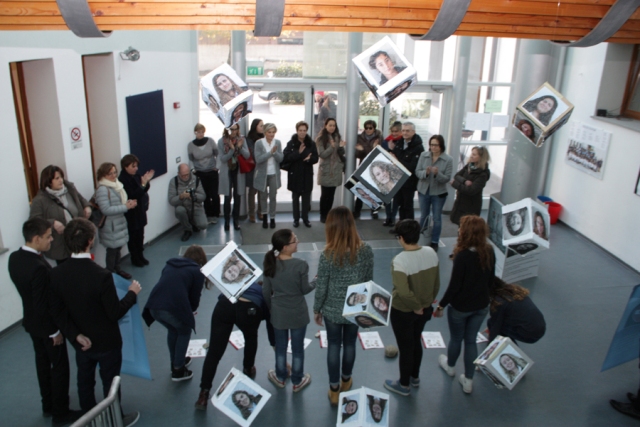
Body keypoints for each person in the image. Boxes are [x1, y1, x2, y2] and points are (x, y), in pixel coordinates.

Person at [49, 218, 141, 426]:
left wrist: (75, 335)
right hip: (107, 341)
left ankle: (88, 417)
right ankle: (115, 418)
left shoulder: (56, 274)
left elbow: (57, 311)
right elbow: (114, 312)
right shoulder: (102, 275)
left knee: (84, 380)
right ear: (90, 241)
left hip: (81, 341)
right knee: (111, 382)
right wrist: (132, 294)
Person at [8, 218, 82, 426]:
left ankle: (48, 404)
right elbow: (42, 304)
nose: (51, 239)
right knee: (59, 367)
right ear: (36, 238)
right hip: (47, 326)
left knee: (42, 364)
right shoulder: (38, 268)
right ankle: (61, 412)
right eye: (48, 236)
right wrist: (54, 332)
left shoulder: (15, 258)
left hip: (31, 324)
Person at [313, 207, 374, 405]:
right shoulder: (365, 251)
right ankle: (346, 380)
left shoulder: (327, 254)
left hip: (332, 309)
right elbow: (369, 279)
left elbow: (322, 285)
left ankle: (334, 390)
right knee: (350, 344)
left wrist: (317, 309)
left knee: (333, 345)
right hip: (355, 308)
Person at [434, 215, 495, 394]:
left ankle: (450, 366)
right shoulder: (489, 251)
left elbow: (454, 286)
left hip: (460, 307)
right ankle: (468, 380)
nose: (459, 230)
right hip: (481, 305)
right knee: (471, 340)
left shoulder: (462, 256)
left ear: (467, 232)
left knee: (456, 338)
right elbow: (491, 280)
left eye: (461, 227)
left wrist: (441, 305)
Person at [195, 279, 274, 410]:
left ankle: (203, 394)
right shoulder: (266, 297)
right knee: (251, 337)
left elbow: (221, 295)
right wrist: (275, 346)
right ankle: (248, 368)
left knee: (214, 353)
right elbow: (271, 326)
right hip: (250, 309)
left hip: (224, 305)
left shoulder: (244, 284)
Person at [383, 219, 440, 396]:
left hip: (403, 311)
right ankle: (415, 377)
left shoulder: (399, 260)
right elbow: (436, 284)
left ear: (401, 238)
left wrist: (415, 307)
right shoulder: (431, 252)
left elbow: (403, 291)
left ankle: (404, 384)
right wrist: (425, 304)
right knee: (416, 341)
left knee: (406, 347)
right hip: (425, 309)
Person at [142, 245, 208, 381]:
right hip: (171, 309)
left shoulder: (170, 264)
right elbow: (195, 297)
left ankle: (176, 361)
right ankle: (178, 370)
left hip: (153, 307)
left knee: (173, 330)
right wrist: (190, 311)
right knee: (184, 331)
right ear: (201, 259)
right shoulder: (197, 271)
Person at [263, 229, 314, 392]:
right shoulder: (301, 265)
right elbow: (305, 289)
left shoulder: (270, 264)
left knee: (280, 347)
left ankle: (280, 377)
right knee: (298, 349)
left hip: (279, 314)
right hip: (298, 313)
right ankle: (297, 381)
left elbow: (266, 292)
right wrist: (316, 281)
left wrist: (272, 309)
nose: (297, 241)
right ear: (285, 247)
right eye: (294, 240)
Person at [29, 165, 92, 264]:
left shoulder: (69, 189)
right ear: (48, 181)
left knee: (82, 267)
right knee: (67, 270)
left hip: (78, 240)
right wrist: (52, 223)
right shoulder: (40, 200)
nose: (61, 180)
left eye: (61, 177)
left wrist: (87, 206)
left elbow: (81, 199)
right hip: (60, 244)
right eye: (57, 178)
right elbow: (34, 221)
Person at [95, 162, 137, 280]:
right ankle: (110, 274)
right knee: (112, 251)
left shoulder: (116, 185)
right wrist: (125, 207)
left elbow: (118, 202)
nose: (114, 175)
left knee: (118, 249)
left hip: (119, 223)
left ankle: (117, 269)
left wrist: (128, 203)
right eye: (110, 173)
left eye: (115, 172)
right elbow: (106, 209)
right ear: (103, 175)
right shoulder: (102, 189)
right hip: (111, 226)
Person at [415, 134, 453, 251]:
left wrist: (437, 174)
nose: (433, 147)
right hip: (423, 191)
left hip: (438, 193)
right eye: (431, 145)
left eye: (436, 145)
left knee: (437, 218)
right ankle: (421, 238)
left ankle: (435, 241)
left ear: (441, 146)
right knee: (424, 216)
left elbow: (446, 178)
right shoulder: (424, 155)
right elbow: (417, 171)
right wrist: (425, 173)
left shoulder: (448, 159)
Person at [119, 155, 154, 267]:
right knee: (133, 236)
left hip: (140, 210)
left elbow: (143, 190)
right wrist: (143, 184)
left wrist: (146, 182)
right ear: (125, 167)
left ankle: (141, 255)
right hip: (131, 213)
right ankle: (135, 258)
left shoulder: (136, 175)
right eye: (133, 166)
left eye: (136, 166)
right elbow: (133, 195)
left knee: (140, 235)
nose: (136, 168)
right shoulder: (122, 179)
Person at [487, 277, 546, 343]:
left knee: (492, 323)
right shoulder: (514, 290)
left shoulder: (498, 302)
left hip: (530, 335)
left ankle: (504, 347)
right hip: (541, 328)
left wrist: (491, 344)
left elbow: (495, 327)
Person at [283, 121, 319, 228]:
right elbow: (286, 157)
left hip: (307, 174)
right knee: (295, 199)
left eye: (304, 130)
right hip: (295, 174)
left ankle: (305, 218)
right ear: (297, 131)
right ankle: (296, 219)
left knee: (306, 199)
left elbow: (316, 158)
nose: (302, 132)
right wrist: (298, 153)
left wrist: (309, 159)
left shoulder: (311, 143)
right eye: (300, 130)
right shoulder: (291, 143)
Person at [218, 124, 250, 231]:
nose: (234, 132)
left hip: (238, 171)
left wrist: (239, 147)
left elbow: (247, 155)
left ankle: (236, 220)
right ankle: (226, 220)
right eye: (232, 129)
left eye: (236, 129)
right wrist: (232, 149)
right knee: (227, 197)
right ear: (228, 130)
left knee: (237, 196)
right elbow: (223, 158)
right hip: (227, 171)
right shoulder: (222, 141)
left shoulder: (241, 139)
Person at [390, 122, 424, 223]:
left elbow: (412, 167)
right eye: (403, 130)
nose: (405, 133)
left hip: (409, 182)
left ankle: (409, 228)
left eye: (407, 131)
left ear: (413, 131)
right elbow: (393, 158)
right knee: (400, 204)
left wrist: (397, 160)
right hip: (398, 180)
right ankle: (402, 227)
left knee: (407, 206)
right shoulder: (399, 143)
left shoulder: (418, 147)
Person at [450, 146, 491, 227]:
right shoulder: (469, 166)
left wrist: (455, 184)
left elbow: (471, 190)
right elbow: (457, 176)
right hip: (460, 203)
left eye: (474, 155)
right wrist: (464, 181)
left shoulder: (482, 174)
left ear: (481, 157)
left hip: (471, 206)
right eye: (472, 154)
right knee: (460, 227)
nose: (471, 156)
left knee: (468, 228)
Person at [188, 123, 219, 225]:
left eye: (202, 132)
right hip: (200, 173)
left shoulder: (210, 141)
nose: (201, 134)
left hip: (212, 171)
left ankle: (216, 214)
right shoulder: (191, 145)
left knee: (214, 194)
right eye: (198, 132)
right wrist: (193, 169)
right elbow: (191, 159)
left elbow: (217, 154)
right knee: (205, 195)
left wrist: (217, 166)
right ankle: (209, 215)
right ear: (195, 132)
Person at [254, 123, 283, 229]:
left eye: (273, 132)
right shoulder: (259, 143)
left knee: (273, 196)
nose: (271, 134)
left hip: (274, 173)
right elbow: (258, 159)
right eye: (269, 132)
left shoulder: (277, 142)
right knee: (262, 197)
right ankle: (264, 217)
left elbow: (280, 159)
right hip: (262, 174)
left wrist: (274, 153)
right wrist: (270, 153)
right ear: (265, 132)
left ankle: (272, 218)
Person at [316, 118, 346, 223]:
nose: (332, 127)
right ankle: (322, 214)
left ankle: (328, 214)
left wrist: (341, 147)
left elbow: (341, 153)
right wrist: (332, 147)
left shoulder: (337, 137)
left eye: (334, 125)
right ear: (325, 125)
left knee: (331, 195)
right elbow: (322, 154)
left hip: (336, 169)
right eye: (330, 125)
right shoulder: (320, 139)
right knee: (325, 195)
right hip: (326, 170)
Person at [168, 164, 207, 242]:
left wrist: (193, 196)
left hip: (195, 207)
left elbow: (203, 196)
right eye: (183, 175)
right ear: (178, 173)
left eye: (187, 174)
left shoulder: (196, 179)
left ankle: (194, 223)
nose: (186, 177)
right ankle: (187, 230)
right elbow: (171, 200)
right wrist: (181, 197)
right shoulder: (174, 182)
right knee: (179, 210)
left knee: (203, 225)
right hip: (182, 206)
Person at [354, 120, 383, 219]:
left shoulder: (379, 138)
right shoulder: (360, 137)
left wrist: (366, 149)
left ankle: (374, 211)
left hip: (376, 166)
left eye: (370, 128)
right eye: (366, 127)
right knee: (361, 189)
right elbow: (357, 154)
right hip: (364, 166)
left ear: (374, 128)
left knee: (375, 190)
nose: (368, 130)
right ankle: (357, 211)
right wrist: (361, 150)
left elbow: (380, 153)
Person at [381, 121, 403, 226]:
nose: (394, 133)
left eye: (396, 131)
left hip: (398, 172)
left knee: (396, 197)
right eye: (392, 131)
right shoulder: (386, 141)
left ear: (401, 131)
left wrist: (393, 150)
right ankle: (388, 217)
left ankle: (393, 217)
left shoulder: (403, 142)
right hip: (387, 171)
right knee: (387, 195)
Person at [245, 119, 264, 222]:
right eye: (261, 126)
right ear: (255, 126)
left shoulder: (264, 138)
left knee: (262, 191)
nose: (263, 127)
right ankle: (251, 213)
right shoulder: (249, 139)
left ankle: (260, 211)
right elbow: (253, 154)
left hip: (262, 168)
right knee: (252, 192)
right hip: (252, 168)